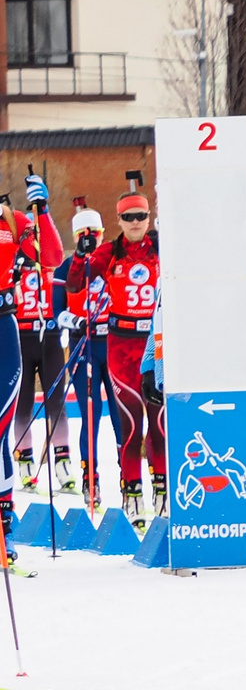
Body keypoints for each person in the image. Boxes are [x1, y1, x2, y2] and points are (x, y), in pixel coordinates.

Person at [59, 189, 164, 523]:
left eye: (141, 216)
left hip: (155, 344)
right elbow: (74, 285)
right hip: (119, 346)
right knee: (129, 425)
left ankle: (162, 492)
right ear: (119, 220)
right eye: (128, 217)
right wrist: (80, 256)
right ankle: (131, 493)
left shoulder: (161, 248)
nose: (135, 223)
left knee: (160, 425)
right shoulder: (109, 252)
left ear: (148, 218)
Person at [8, 172, 66, 493]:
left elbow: (54, 252)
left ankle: (63, 463)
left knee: (56, 403)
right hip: (18, 335)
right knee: (22, 405)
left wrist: (42, 209)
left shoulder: (37, 247)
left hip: (47, 336)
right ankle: (25, 462)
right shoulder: (12, 259)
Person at [53, 209, 114, 508]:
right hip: (83, 346)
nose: (90, 240)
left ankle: (131, 484)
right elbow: (57, 312)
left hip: (113, 344)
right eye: (83, 235)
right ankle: (91, 480)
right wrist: (74, 321)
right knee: (91, 415)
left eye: (95, 234)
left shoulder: (112, 262)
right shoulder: (66, 268)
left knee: (121, 417)